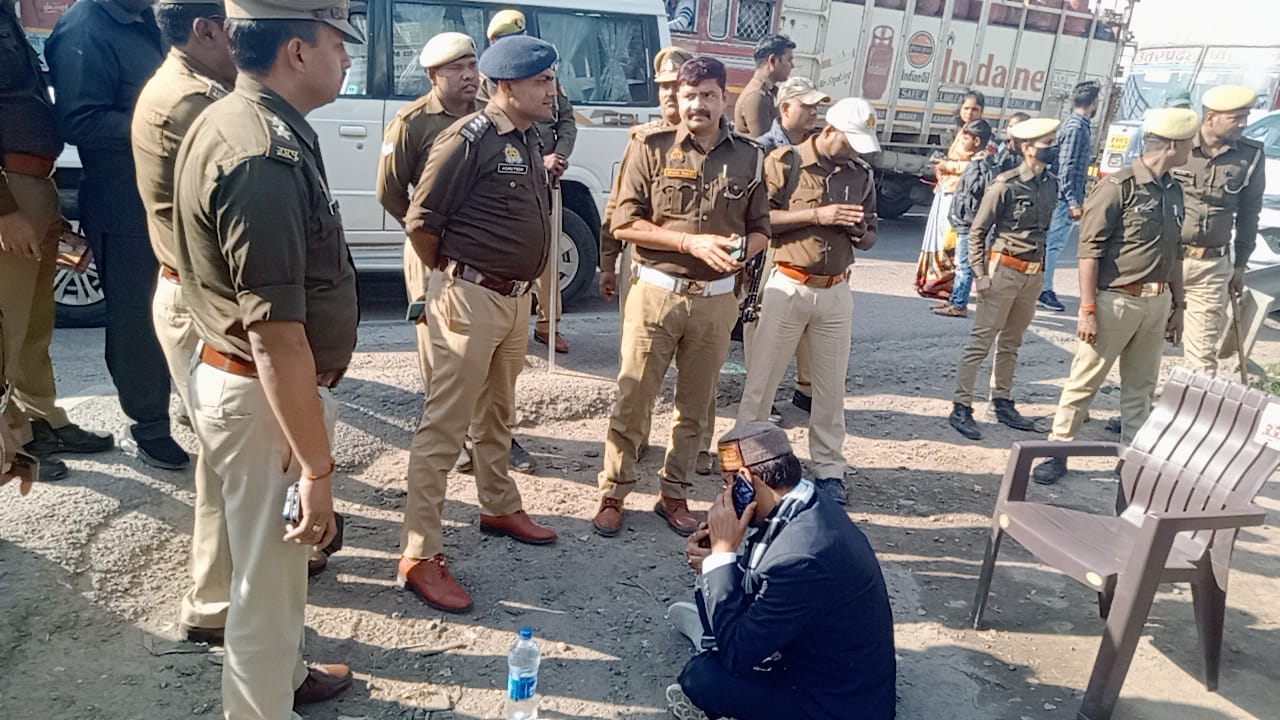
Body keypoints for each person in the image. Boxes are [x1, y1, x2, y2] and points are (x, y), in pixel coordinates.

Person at [173, 0, 364, 715]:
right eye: (336, 42)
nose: (346, 57)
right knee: (266, 586)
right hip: (263, 396)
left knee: (271, 575)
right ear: (297, 51)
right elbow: (275, 333)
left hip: (252, 388)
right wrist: (316, 468)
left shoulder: (243, 119)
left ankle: (283, 680)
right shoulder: (261, 154)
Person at [397, 35, 561, 612]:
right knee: (445, 427)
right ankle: (420, 552)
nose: (552, 90)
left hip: (513, 300)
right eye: (542, 81)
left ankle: (498, 504)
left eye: (552, 79)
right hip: (470, 297)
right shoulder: (468, 138)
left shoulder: (527, 136)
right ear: (508, 86)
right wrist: (453, 276)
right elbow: (421, 221)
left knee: (498, 414)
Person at [593, 56, 770, 538]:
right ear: (679, 98)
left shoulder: (750, 156)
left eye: (708, 95)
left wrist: (742, 251)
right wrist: (689, 243)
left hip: (716, 301)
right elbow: (624, 222)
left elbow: (761, 229)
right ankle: (614, 493)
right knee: (633, 398)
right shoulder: (650, 146)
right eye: (689, 96)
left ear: (724, 98)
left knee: (696, 407)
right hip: (657, 292)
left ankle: (675, 493)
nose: (697, 105)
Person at [129, 0, 238, 646]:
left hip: (187, 291)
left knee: (227, 455)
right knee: (228, 459)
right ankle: (215, 604)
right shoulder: (193, 103)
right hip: (203, 300)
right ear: (205, 31)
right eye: (234, 28)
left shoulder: (175, 84)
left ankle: (225, 586)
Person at [666, 422, 896, 720]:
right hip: (846, 675)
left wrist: (720, 559)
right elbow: (767, 579)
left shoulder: (799, 558)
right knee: (725, 600)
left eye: (727, 484)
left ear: (746, 479)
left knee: (702, 676)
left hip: (834, 708)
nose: (724, 497)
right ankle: (715, 631)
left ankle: (714, 640)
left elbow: (737, 657)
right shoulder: (809, 503)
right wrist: (715, 563)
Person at [46, 0, 189, 470]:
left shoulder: (147, 18)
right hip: (124, 202)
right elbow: (78, 119)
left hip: (175, 195)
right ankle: (150, 425)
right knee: (138, 320)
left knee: (188, 305)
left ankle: (193, 401)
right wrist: (163, 121)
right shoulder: (85, 27)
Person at [1031, 108, 1199, 484]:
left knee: (1141, 389)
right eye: (1189, 143)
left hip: (1156, 303)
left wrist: (1178, 305)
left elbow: (1175, 253)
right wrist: (1088, 308)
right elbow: (1089, 252)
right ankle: (1058, 450)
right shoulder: (1118, 187)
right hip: (1116, 301)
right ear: (1172, 145)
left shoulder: (1173, 189)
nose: (1192, 149)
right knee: (1084, 381)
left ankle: (1132, 464)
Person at [737, 98, 880, 506]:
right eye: (849, 142)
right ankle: (746, 464)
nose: (853, 151)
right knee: (761, 383)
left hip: (836, 292)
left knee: (830, 391)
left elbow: (872, 234)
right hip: (788, 285)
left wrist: (858, 231)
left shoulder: (861, 175)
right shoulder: (787, 163)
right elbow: (760, 220)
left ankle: (830, 468)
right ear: (829, 130)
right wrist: (818, 216)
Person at [1, 0, 113, 483]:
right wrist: (6, 211)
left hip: (33, 182)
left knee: (33, 325)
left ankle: (40, 421)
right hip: (9, 189)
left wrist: (48, 211)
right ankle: (12, 445)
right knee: (6, 330)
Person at [376, 32, 485, 473]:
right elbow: (389, 191)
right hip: (431, 248)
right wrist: (426, 234)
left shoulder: (490, 114)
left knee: (482, 342)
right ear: (433, 76)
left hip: (481, 247)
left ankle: (486, 434)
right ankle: (449, 438)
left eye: (472, 65)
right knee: (439, 346)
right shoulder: (413, 122)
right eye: (456, 69)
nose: (469, 76)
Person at [599, 45, 692, 464]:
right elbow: (617, 207)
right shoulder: (643, 141)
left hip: (701, 281)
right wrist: (607, 261)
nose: (670, 94)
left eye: (678, 85)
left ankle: (694, 448)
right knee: (637, 367)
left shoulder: (717, 143)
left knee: (698, 378)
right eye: (663, 86)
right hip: (647, 270)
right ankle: (634, 441)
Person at [948, 118, 1061, 441]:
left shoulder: (1050, 184)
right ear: (1028, 149)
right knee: (982, 341)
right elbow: (977, 232)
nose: (1053, 148)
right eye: (1047, 144)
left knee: (1012, 343)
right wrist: (980, 275)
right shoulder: (1005, 184)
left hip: (1032, 274)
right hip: (1003, 271)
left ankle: (1002, 400)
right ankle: (962, 405)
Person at [486, 8, 576, 355]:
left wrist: (559, 156)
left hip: (546, 181)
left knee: (549, 252)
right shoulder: (487, 86)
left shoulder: (546, 81)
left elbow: (566, 122)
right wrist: (539, 161)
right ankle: (506, 327)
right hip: (507, 182)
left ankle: (548, 325)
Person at [1176, 85, 1265, 373]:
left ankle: (1195, 400)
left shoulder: (1251, 155)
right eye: (1236, 118)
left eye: (1245, 117)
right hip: (1166, 260)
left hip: (1211, 266)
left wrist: (1240, 265)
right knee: (1146, 344)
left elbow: (1249, 215)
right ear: (1211, 117)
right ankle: (1141, 401)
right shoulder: (1178, 144)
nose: (1244, 124)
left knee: (1203, 356)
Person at [915, 93, 986, 299]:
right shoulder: (962, 131)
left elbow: (977, 166)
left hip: (962, 195)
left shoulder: (981, 135)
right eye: (966, 108)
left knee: (950, 240)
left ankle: (946, 286)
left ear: (982, 111)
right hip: (946, 189)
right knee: (938, 238)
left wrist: (948, 166)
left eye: (974, 109)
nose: (969, 113)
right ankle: (932, 282)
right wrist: (941, 169)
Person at [1039, 80, 1101, 313]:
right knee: (1052, 245)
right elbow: (1066, 168)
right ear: (1093, 103)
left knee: (1051, 244)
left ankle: (1041, 287)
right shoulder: (1076, 128)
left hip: (1064, 195)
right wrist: (1073, 201)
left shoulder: (1076, 125)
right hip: (1064, 198)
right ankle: (1044, 290)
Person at [934, 118, 996, 318]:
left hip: (970, 224)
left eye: (965, 139)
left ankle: (959, 304)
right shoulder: (975, 163)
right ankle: (955, 299)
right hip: (964, 221)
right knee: (960, 264)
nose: (961, 143)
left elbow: (976, 195)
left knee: (964, 266)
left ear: (977, 142)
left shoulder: (982, 166)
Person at [734, 34, 795, 137]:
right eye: (789, 60)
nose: (792, 66)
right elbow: (764, 143)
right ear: (773, 60)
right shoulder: (756, 96)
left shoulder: (768, 92)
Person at [755, 76, 829, 155]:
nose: (814, 112)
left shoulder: (818, 146)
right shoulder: (762, 148)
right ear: (785, 109)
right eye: (807, 106)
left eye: (816, 105)